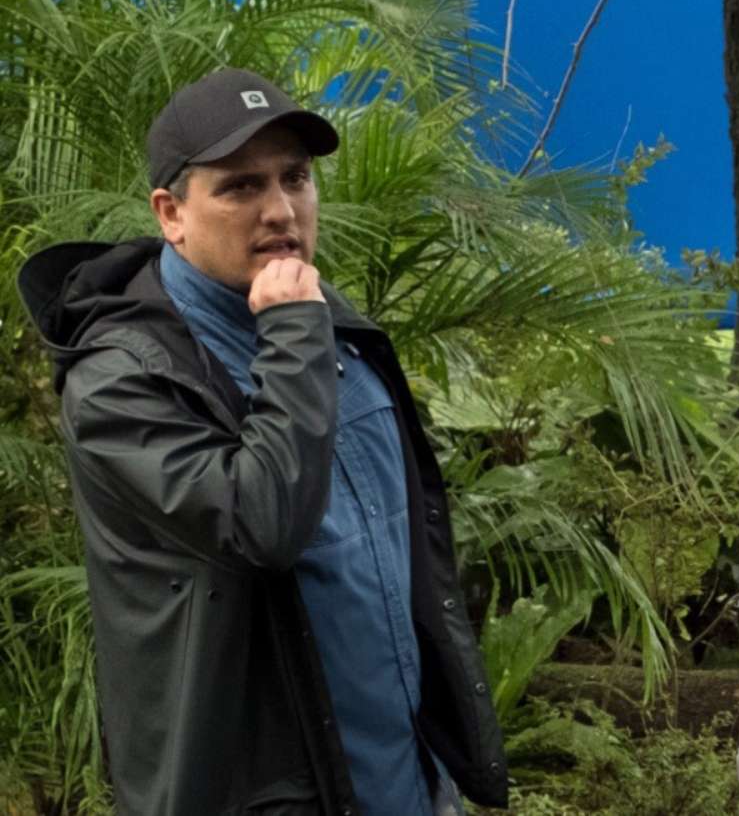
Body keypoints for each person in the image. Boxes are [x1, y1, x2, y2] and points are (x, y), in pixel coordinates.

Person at [17, 68, 508, 816]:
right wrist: (292, 335)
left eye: (295, 178)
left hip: (405, 778)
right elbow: (263, 525)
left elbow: (400, 542)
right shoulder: (123, 381)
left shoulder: (327, 322)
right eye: (241, 187)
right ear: (171, 213)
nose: (281, 210)